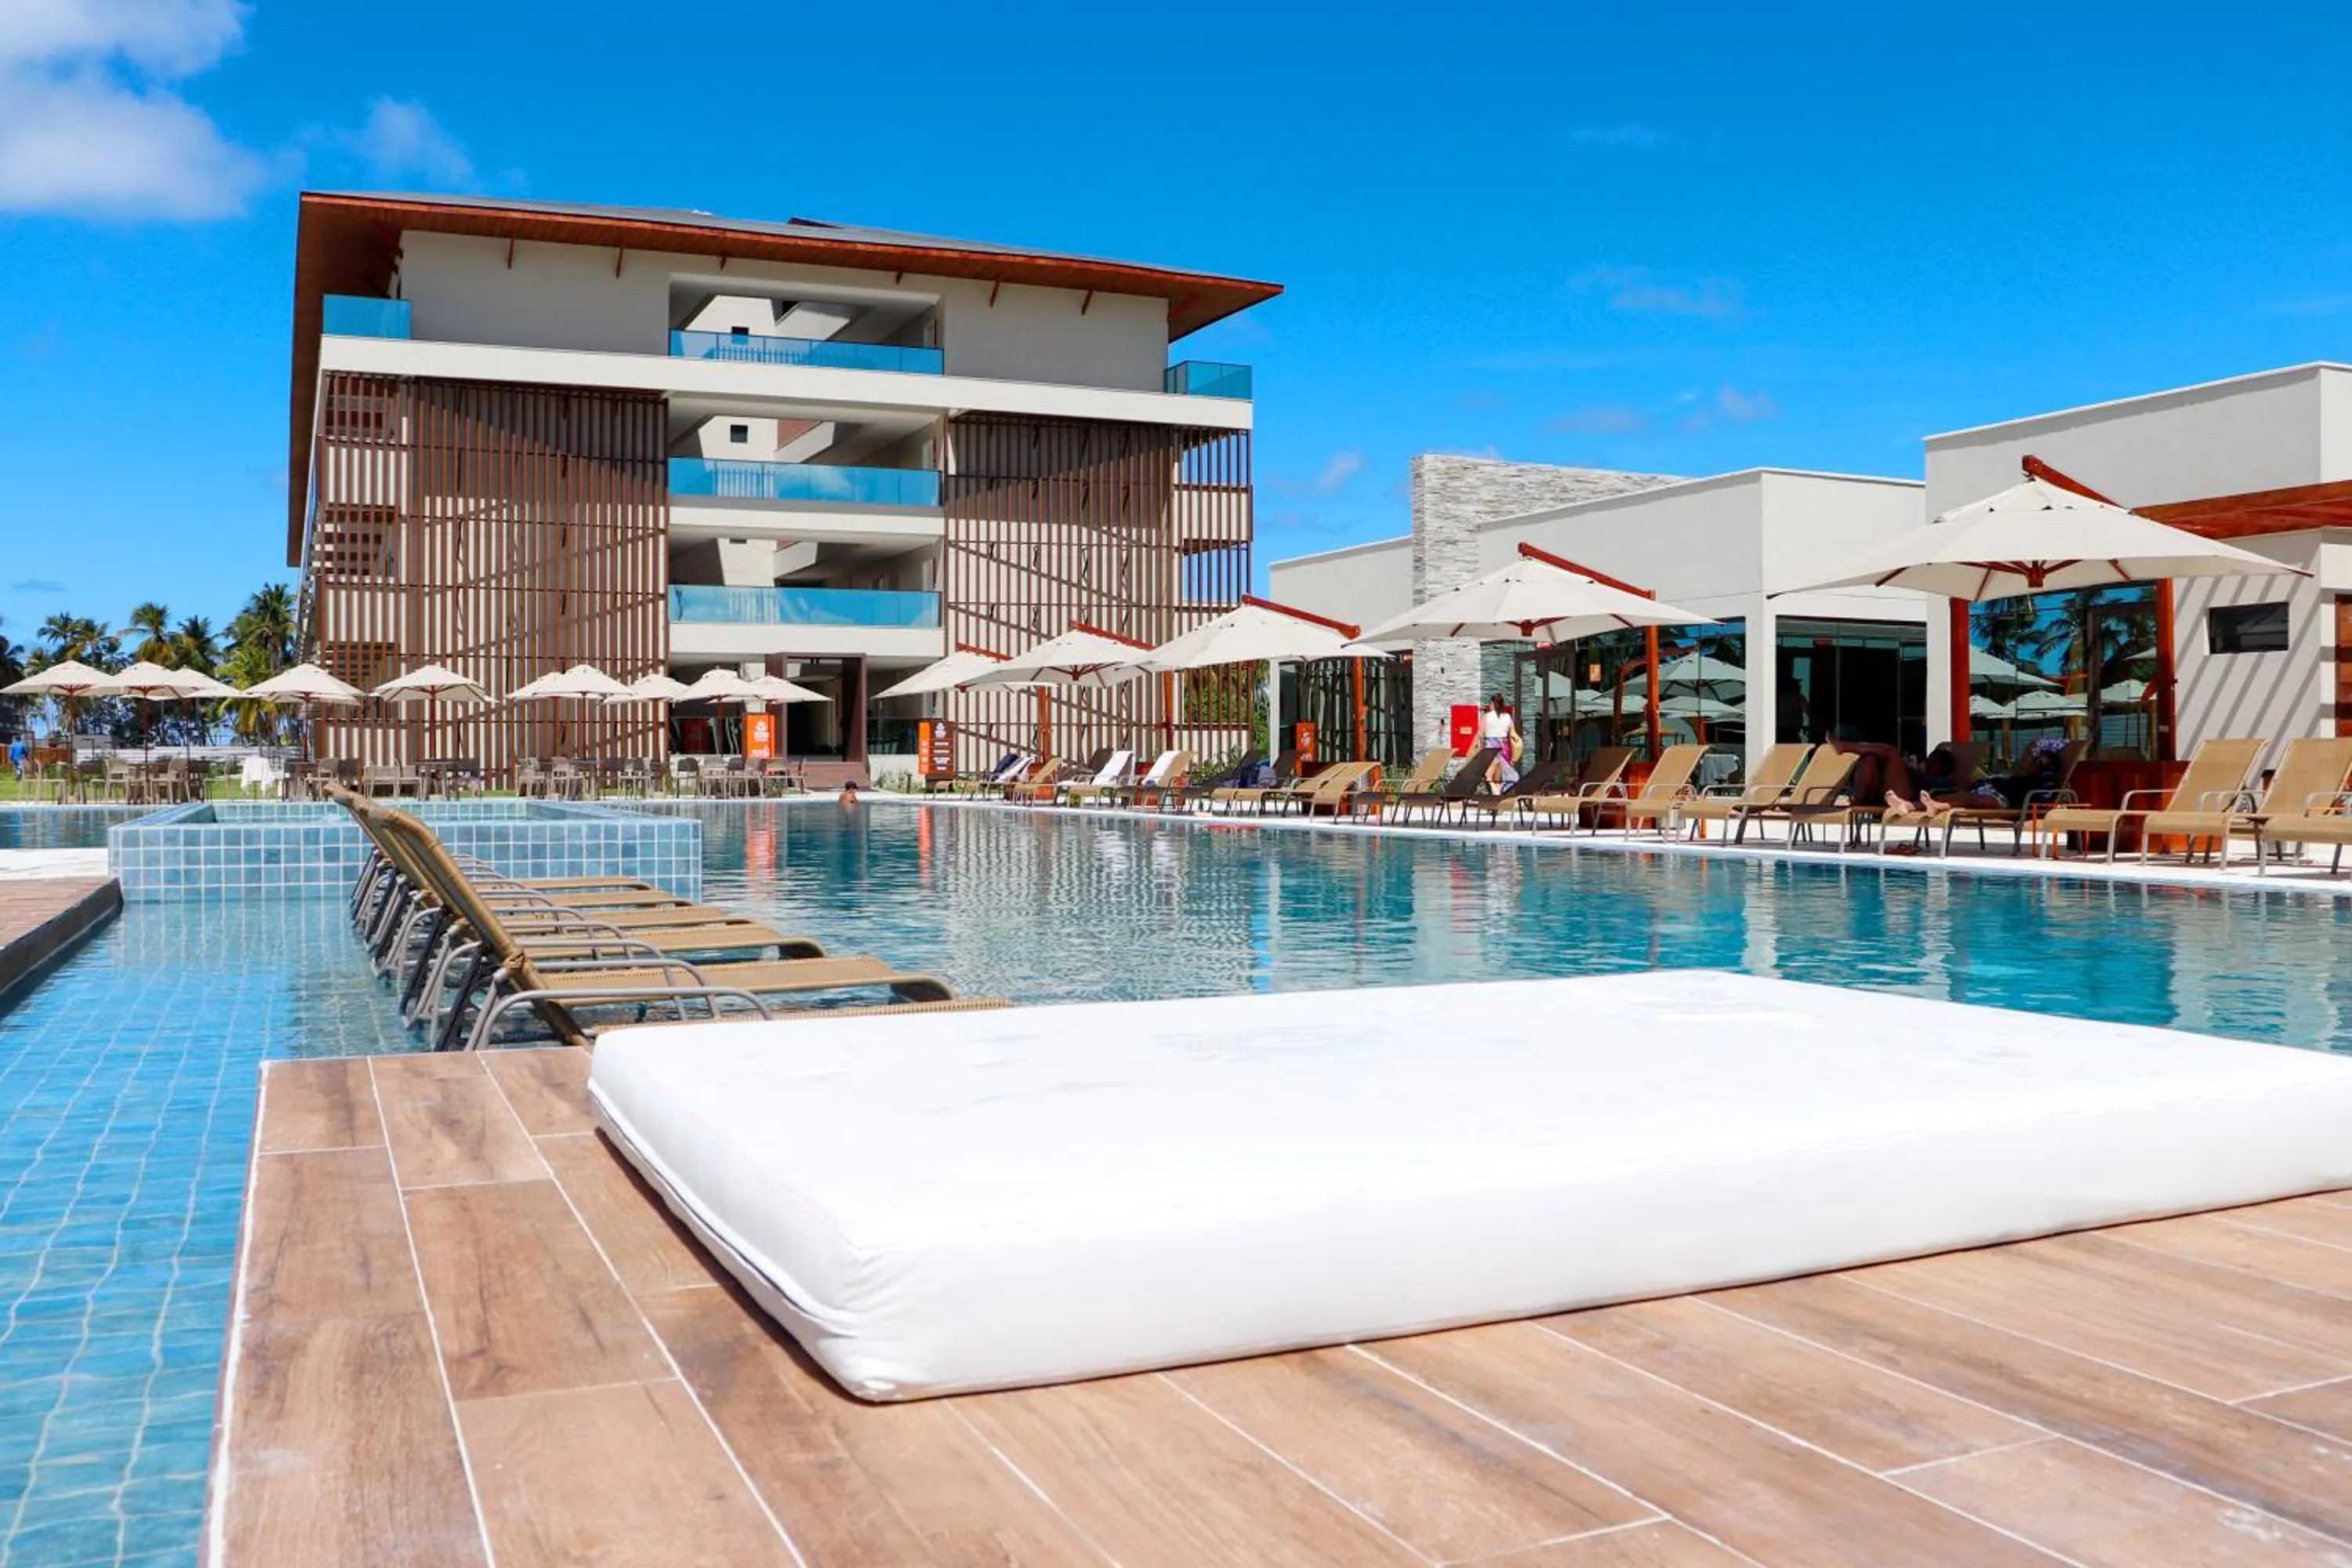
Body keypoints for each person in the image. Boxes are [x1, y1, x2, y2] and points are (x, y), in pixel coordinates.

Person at [1478, 694, 1522, 789]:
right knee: (1500, 777)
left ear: (1493, 704)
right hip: (1504, 747)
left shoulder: (1487, 717)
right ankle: (1500, 790)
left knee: (1490, 776)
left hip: (1491, 747)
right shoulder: (1507, 717)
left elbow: (1480, 734)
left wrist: (1480, 748)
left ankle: (1496, 793)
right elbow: (1513, 734)